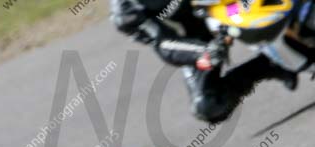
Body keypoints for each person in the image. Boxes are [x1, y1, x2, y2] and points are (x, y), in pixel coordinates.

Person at [109, 0, 298, 123]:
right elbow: (165, 44)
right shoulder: (127, 12)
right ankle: (269, 64)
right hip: (196, 39)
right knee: (208, 106)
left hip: (219, 5)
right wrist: (204, 52)